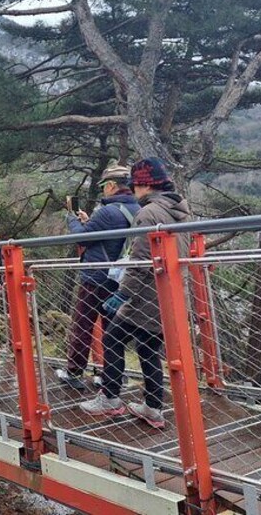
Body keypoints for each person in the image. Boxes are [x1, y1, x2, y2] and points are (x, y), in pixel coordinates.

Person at [80, 158, 191, 429]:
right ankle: (153, 407)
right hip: (170, 294)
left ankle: (110, 398)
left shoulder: (149, 214)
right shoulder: (180, 212)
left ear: (143, 185)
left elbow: (140, 263)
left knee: (113, 338)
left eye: (135, 185)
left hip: (145, 297)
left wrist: (122, 295)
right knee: (147, 348)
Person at [55, 165, 140, 390]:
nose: (103, 190)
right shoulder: (137, 208)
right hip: (120, 278)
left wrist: (72, 220)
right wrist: (88, 221)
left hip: (96, 276)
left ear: (111, 186)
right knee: (113, 328)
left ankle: (74, 372)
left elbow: (82, 239)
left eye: (104, 186)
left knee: (83, 324)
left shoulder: (107, 211)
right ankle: (113, 375)